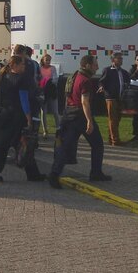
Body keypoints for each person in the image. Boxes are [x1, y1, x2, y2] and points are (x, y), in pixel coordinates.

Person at [48, 55, 112, 189]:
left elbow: (67, 97)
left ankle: (54, 174)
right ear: (87, 65)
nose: (97, 67)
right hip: (80, 116)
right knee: (97, 144)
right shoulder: (85, 81)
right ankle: (95, 173)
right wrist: (89, 121)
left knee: (64, 147)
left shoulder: (74, 76)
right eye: (95, 64)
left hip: (69, 114)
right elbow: (85, 102)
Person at [0, 55, 46, 182]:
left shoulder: (4, 77)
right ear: (14, 65)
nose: (24, 67)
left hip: (1, 114)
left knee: (19, 144)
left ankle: (33, 173)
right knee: (12, 146)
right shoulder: (21, 79)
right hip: (15, 117)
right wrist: (28, 117)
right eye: (22, 64)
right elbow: (24, 100)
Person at [99, 52, 130, 146]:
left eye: (121, 58)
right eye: (119, 58)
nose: (121, 60)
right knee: (113, 118)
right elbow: (101, 81)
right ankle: (115, 140)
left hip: (120, 97)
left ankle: (111, 138)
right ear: (113, 60)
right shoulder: (107, 70)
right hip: (111, 97)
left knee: (117, 119)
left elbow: (128, 81)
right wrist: (101, 87)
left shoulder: (124, 72)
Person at [39, 53, 61, 138]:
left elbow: (55, 79)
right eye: (46, 60)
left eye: (49, 60)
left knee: (55, 111)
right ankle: (45, 130)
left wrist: (49, 81)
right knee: (43, 112)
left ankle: (58, 128)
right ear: (43, 60)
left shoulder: (53, 68)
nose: (48, 62)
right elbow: (39, 79)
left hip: (51, 92)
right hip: (43, 92)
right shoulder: (40, 69)